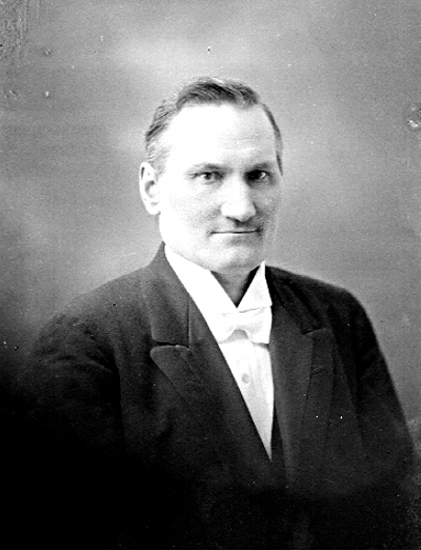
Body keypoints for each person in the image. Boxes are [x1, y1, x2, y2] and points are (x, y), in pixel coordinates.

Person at [20, 77, 414, 549]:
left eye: (259, 175)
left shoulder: (337, 316)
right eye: (209, 176)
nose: (242, 208)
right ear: (151, 188)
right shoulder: (88, 342)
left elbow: (392, 515)